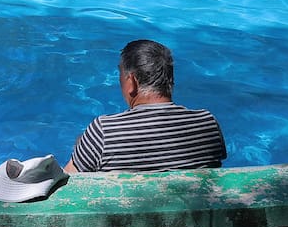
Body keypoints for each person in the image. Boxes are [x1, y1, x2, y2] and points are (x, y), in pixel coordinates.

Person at [64, 39, 227, 173]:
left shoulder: (103, 131)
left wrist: (88, 143)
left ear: (131, 82)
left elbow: (68, 184)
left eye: (120, 75)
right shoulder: (208, 124)